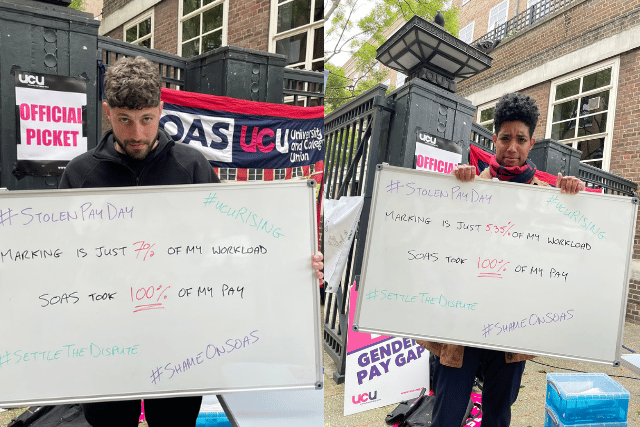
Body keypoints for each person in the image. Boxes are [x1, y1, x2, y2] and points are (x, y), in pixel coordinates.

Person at [59, 56, 324, 427]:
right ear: (107, 112)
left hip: (179, 339)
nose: (137, 133)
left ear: (161, 110)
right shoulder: (80, 174)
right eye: (125, 120)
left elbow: (229, 248)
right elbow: (60, 262)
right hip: (107, 338)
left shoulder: (192, 167)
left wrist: (295, 261)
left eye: (147, 119)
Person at [418, 93, 584, 427]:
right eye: (505, 138)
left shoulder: (547, 199)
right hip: (462, 323)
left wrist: (574, 201)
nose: (512, 148)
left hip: (512, 326)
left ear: (531, 143)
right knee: (447, 414)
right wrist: (458, 193)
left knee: (497, 414)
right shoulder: (469, 186)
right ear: (494, 140)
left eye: (520, 140)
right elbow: (436, 239)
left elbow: (564, 253)